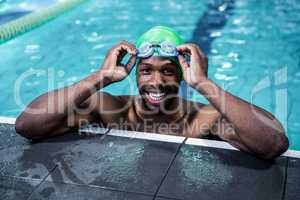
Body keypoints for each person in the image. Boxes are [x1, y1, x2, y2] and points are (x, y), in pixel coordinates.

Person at [15, 26, 288, 159]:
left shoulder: (202, 119)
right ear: (135, 73)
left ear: (183, 75)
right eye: (146, 71)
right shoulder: (110, 108)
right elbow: (27, 125)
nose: (156, 81)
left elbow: (273, 144)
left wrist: (205, 84)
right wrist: (99, 78)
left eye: (168, 71)